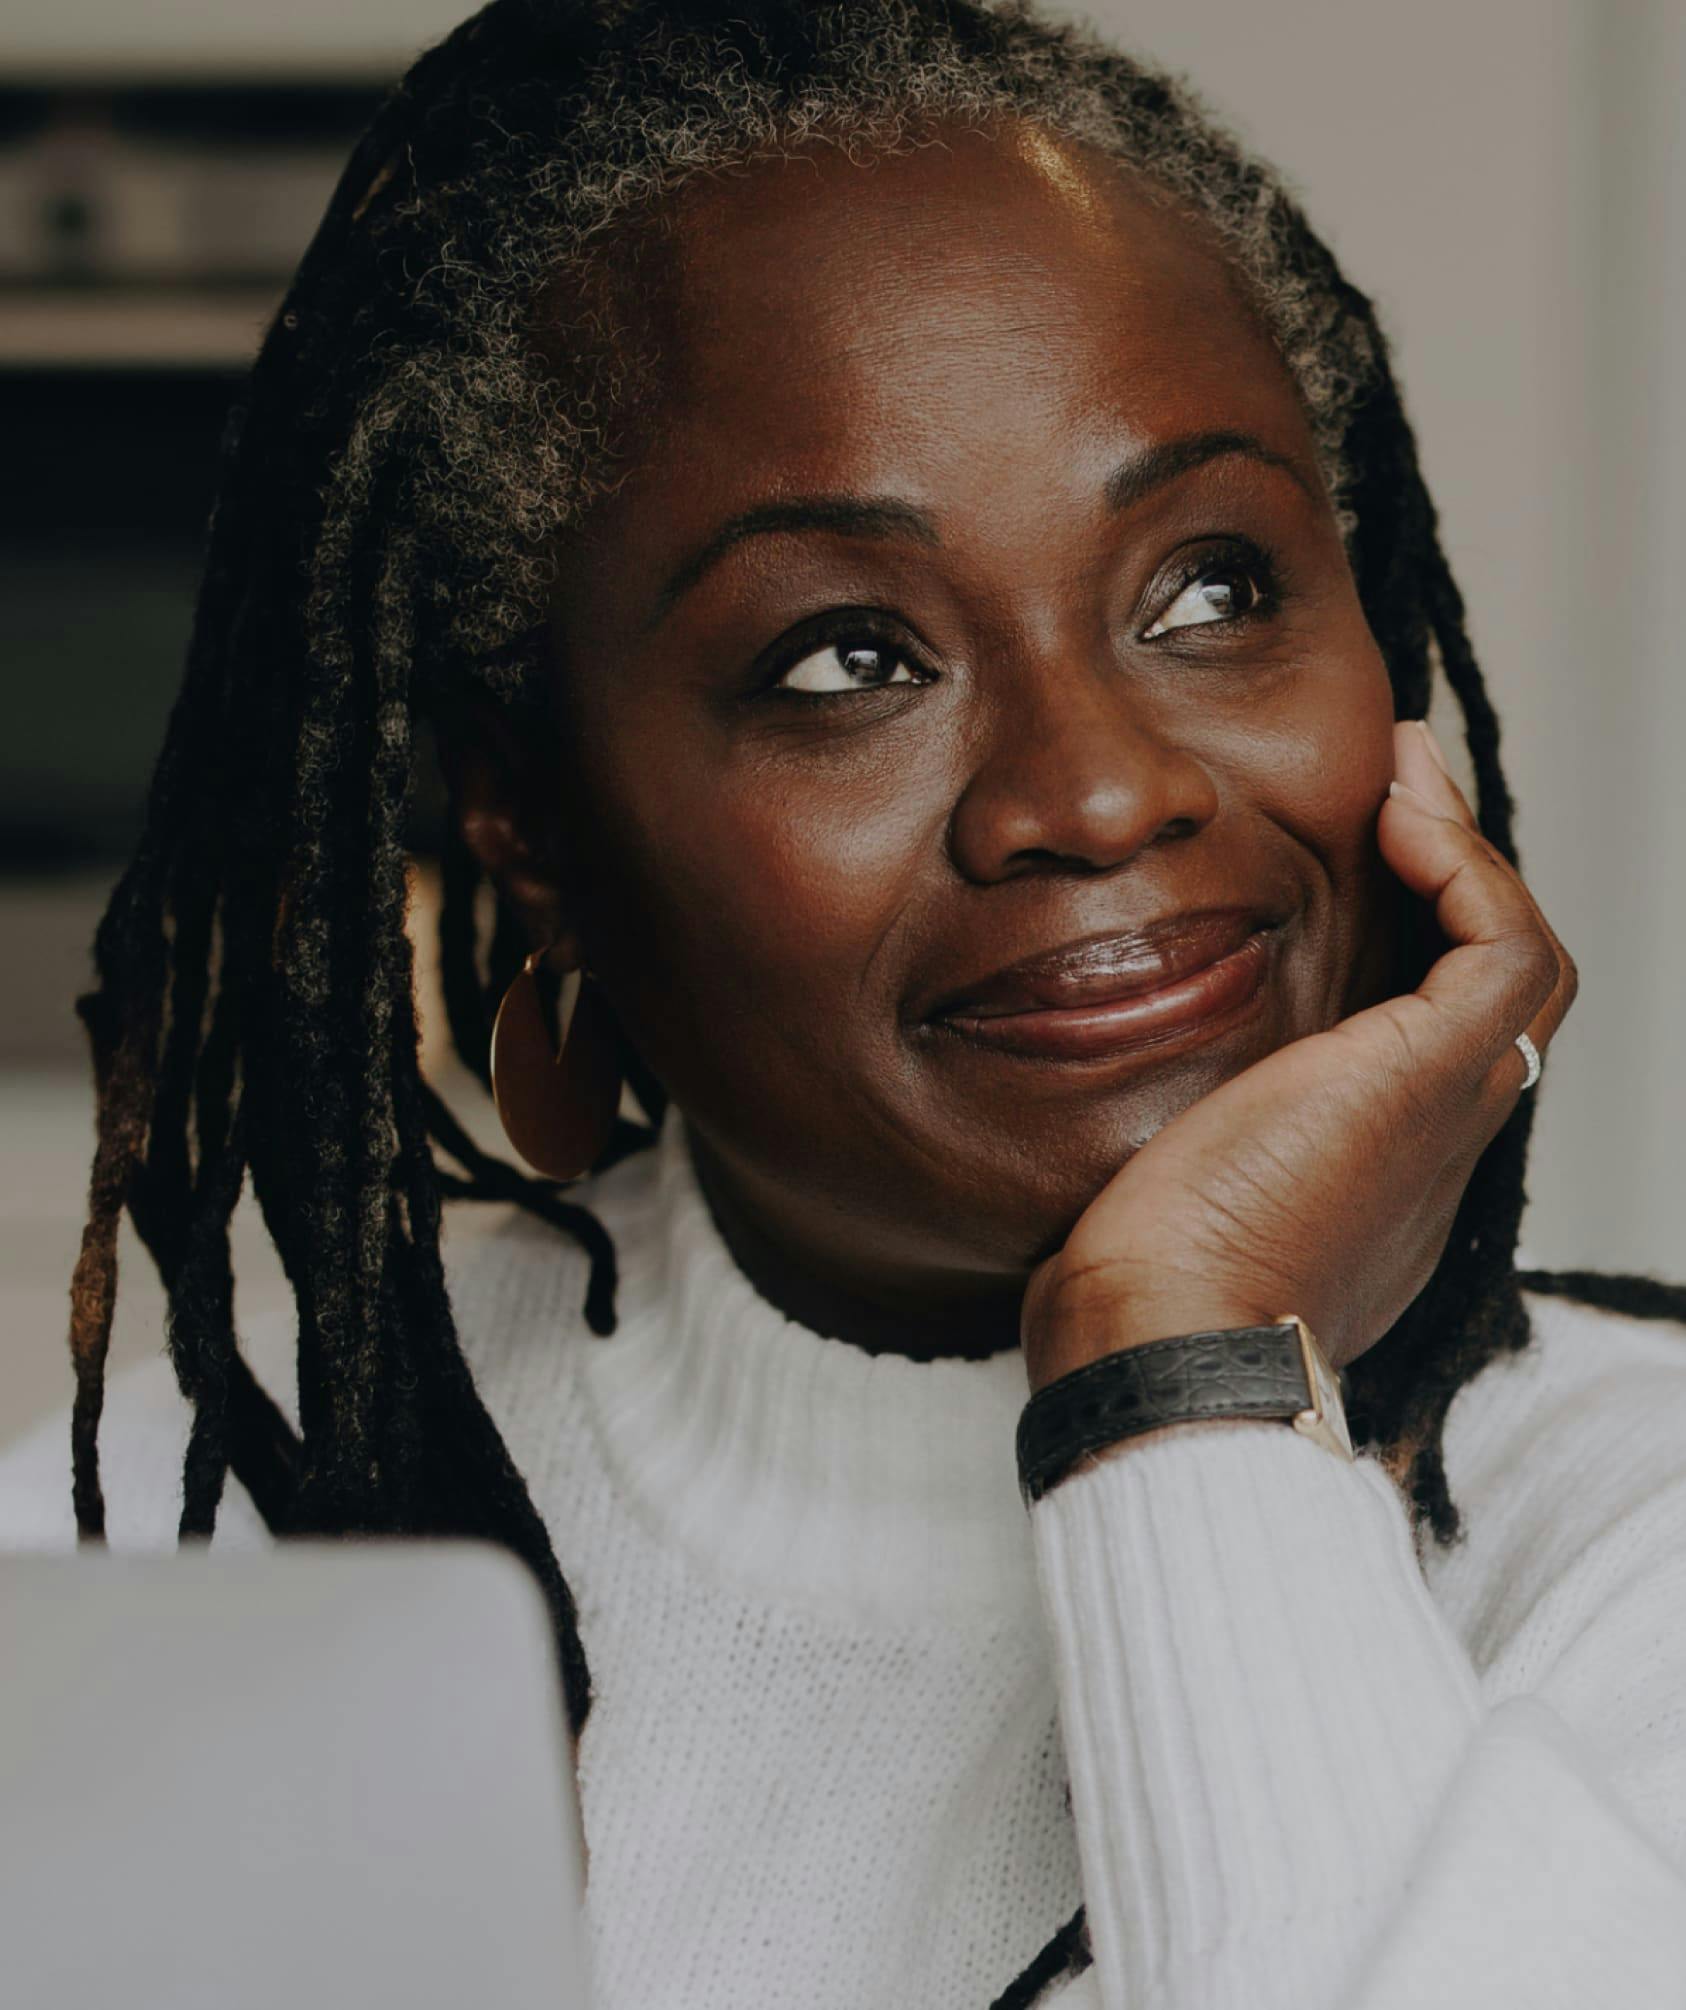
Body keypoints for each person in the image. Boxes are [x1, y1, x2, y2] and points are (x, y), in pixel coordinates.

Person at [5, 1, 1685, 2003]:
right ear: (526, 817)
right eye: (843, 659)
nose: (1100, 787)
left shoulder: (1635, 1539)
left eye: (1211, 587)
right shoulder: (203, 1545)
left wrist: (1181, 1372)